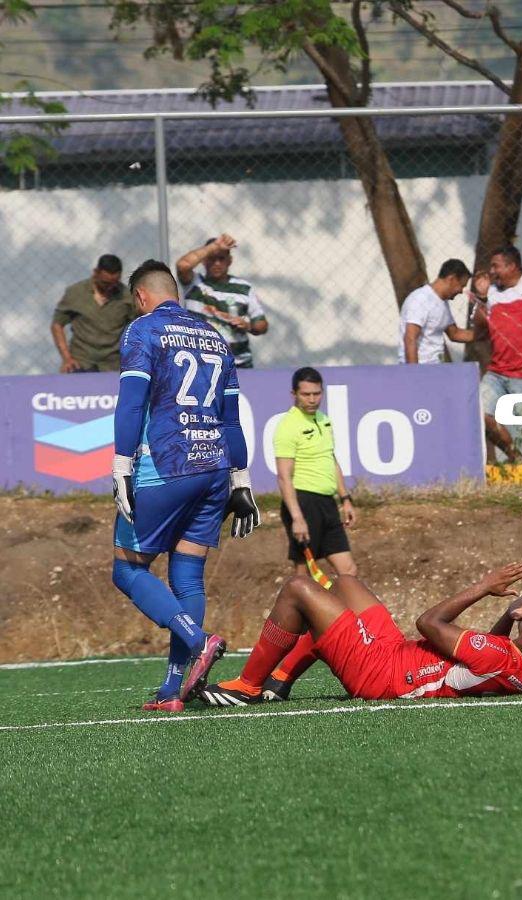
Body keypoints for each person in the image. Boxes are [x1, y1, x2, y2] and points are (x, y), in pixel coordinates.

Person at [110, 260, 261, 713]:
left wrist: (122, 461)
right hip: (215, 464)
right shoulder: (215, 336)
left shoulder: (142, 330)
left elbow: (132, 401)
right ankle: (172, 690)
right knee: (187, 575)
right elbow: (231, 417)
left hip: (167, 463)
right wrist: (241, 477)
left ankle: (198, 640)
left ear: (140, 296)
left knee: (128, 568)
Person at [197, 562, 522, 705]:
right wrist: (509, 618)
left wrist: (484, 585)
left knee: (299, 588)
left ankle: (247, 686)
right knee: (345, 584)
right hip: (395, 656)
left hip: (382, 674)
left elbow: (428, 623)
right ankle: (280, 680)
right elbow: (481, 660)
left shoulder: (496, 657)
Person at [469, 245, 522, 462]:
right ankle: (513, 457)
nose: (491, 272)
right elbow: (479, 329)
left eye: (495, 266)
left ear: (512, 266)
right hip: (497, 372)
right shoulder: (491, 294)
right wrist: (481, 297)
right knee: (479, 413)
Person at [275, 367, 357, 579]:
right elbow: (284, 477)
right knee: (304, 576)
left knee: (348, 572)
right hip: (303, 502)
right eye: (306, 394)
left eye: (317, 393)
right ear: (294, 394)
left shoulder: (324, 420)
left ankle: (345, 614)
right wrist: (297, 518)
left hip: (327, 503)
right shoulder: (288, 426)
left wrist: (345, 498)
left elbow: (331, 459)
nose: (312, 399)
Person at [176, 233, 269, 368]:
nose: (217, 263)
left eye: (221, 258)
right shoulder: (194, 283)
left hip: (238, 365)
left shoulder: (244, 288)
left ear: (229, 261)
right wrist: (213, 247)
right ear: (203, 260)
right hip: (200, 364)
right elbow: (183, 265)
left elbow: (262, 324)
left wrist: (248, 326)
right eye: (211, 258)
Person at [51, 254, 137, 373]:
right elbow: (57, 325)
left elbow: (140, 327)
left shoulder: (127, 297)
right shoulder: (75, 293)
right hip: (80, 363)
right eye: (105, 283)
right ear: (95, 273)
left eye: (114, 283)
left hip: (113, 365)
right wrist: (67, 359)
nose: (109, 288)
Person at [398, 259, 476, 364]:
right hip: (421, 369)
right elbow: (410, 338)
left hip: (436, 367)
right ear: (451, 279)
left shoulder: (442, 302)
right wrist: (414, 374)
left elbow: (455, 334)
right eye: (461, 286)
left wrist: (491, 335)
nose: (461, 291)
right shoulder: (421, 299)